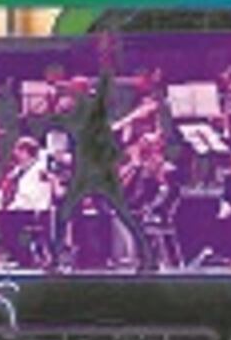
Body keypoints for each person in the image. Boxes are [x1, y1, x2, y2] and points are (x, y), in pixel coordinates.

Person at [52, 32, 156, 272]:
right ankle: (56, 258)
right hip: (85, 170)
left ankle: (147, 256)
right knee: (66, 213)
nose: (70, 93)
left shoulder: (92, 108)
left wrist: (106, 57)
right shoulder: (72, 112)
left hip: (98, 170)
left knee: (122, 212)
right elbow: (57, 123)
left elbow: (105, 84)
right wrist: (54, 103)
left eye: (74, 90)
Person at [0, 137, 58, 268]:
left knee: (7, 220)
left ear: (25, 151)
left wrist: (53, 187)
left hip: (35, 208)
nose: (14, 153)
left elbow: (51, 179)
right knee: (1, 217)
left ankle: (28, 256)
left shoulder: (40, 167)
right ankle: (21, 256)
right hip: (19, 207)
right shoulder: (17, 170)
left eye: (17, 150)